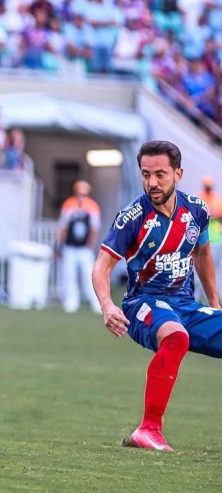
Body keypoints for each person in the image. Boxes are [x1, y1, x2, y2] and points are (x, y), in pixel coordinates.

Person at [92, 140, 221, 452]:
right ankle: (148, 430)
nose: (152, 182)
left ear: (178, 173)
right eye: (146, 174)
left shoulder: (197, 210)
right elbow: (101, 267)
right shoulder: (132, 217)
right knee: (176, 337)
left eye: (160, 174)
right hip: (142, 304)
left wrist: (214, 304)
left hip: (186, 305)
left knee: (185, 330)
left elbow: (202, 254)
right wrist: (107, 306)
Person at [58, 180, 102, 313]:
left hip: (84, 248)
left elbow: (94, 228)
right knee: (69, 274)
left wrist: (91, 244)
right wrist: (61, 244)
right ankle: (72, 300)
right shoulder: (68, 204)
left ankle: (95, 301)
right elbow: (63, 226)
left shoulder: (92, 206)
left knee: (89, 275)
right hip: (70, 246)